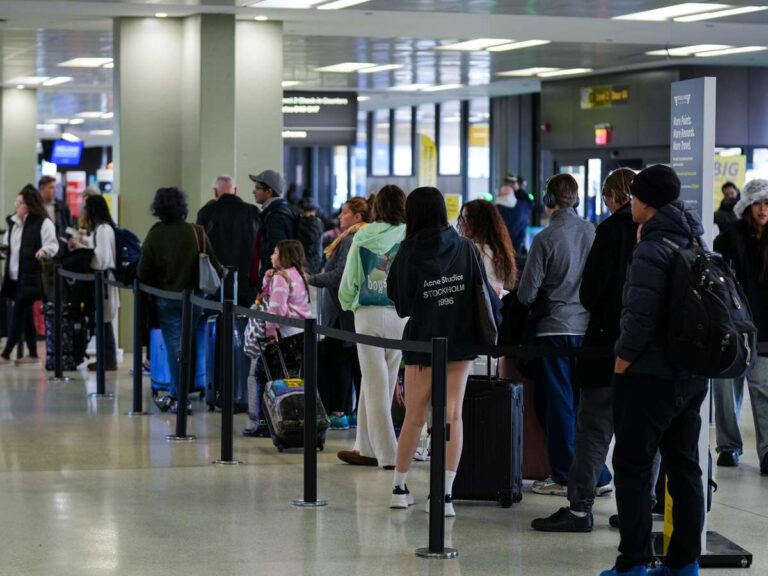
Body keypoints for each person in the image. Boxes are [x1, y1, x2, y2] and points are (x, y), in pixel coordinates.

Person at [603, 164, 708, 576]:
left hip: (649, 375)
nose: (630, 203)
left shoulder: (651, 247)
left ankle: (633, 563)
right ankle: (685, 562)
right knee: (684, 468)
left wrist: (621, 362)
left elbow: (639, 316)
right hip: (691, 374)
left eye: (634, 197)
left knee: (633, 467)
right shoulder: (695, 239)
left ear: (647, 202)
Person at [532, 168, 637, 532]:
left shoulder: (594, 232)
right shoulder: (604, 230)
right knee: (637, 430)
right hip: (636, 345)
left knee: (583, 418)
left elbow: (589, 291)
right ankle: (636, 506)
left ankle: (577, 500)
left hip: (584, 337)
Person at [387, 186, 500, 517]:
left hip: (422, 341)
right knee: (452, 415)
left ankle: (399, 488)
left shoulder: (408, 251)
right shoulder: (465, 247)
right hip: (459, 341)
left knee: (414, 416)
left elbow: (402, 304)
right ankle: (445, 495)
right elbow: (480, 294)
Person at [516, 173, 595, 497]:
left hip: (553, 331)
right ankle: (594, 472)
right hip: (586, 331)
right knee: (582, 406)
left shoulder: (545, 239)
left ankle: (563, 474)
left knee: (558, 405)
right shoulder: (592, 232)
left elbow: (526, 294)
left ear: (549, 200)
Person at [336, 185, 407, 469]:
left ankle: (388, 455)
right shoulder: (408, 235)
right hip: (400, 315)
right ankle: (364, 447)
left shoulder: (363, 235)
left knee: (375, 384)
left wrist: (347, 302)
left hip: (368, 314)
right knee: (380, 382)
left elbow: (350, 278)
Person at [137, 187, 221, 414]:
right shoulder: (196, 231)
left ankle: (181, 398)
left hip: (166, 299)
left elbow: (142, 272)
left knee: (175, 348)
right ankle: (177, 394)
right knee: (187, 344)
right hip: (195, 299)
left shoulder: (155, 235)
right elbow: (215, 265)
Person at [712, 178, 768, 474]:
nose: (763, 209)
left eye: (767, 203)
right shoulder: (729, 238)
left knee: (764, 391)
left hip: (765, 328)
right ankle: (728, 446)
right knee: (725, 391)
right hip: (732, 327)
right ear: (747, 206)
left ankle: (767, 451)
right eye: (757, 202)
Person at [309, 197, 371, 430]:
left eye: (344, 213)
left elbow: (340, 274)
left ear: (357, 216)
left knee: (339, 361)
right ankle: (355, 413)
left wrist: (312, 279)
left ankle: (338, 412)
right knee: (354, 361)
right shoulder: (365, 236)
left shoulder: (350, 239)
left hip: (341, 310)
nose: (339, 217)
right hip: (354, 309)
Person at [0, 188, 59, 365]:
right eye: (16, 202)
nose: (16, 206)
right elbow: (10, 248)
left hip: (32, 276)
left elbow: (52, 245)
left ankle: (5, 354)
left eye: (20, 203)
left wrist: (44, 251)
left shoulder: (43, 223)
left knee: (18, 313)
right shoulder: (14, 224)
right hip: (14, 276)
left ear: (30, 205)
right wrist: (3, 251)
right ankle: (33, 354)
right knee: (25, 315)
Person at [196, 175, 260, 306]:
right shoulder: (253, 211)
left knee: (215, 315)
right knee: (246, 316)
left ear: (215, 191)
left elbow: (199, 247)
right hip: (247, 281)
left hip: (215, 282)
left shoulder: (206, 212)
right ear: (235, 190)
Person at [75, 194, 120, 371]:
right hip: (105, 280)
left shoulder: (102, 229)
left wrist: (84, 256)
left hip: (104, 281)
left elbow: (103, 259)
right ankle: (107, 359)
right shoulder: (104, 228)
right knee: (104, 319)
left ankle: (108, 360)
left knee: (104, 320)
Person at [458, 199, 517, 295]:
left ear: (479, 222)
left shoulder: (477, 250)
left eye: (467, 219)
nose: (463, 224)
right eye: (462, 219)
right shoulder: (497, 248)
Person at [250, 170, 295, 286]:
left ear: (269, 192)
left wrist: (267, 283)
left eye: (258, 188)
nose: (253, 191)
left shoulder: (275, 216)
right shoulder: (278, 211)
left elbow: (276, 253)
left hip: (274, 280)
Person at [496, 172, 534, 256]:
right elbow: (530, 202)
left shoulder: (494, 210)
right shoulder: (522, 208)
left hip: (499, 250)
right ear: (512, 196)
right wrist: (518, 189)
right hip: (516, 249)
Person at [296, 198, 324, 275]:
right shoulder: (317, 222)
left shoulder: (297, 222)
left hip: (299, 260)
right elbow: (318, 247)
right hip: (314, 261)